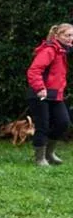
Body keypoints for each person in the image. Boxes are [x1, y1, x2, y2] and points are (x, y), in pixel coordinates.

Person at [26, 23, 73, 166]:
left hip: (55, 95)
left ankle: (49, 153)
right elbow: (33, 70)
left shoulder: (63, 50)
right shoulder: (49, 50)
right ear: (57, 36)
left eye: (72, 35)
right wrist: (40, 88)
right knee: (43, 126)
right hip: (40, 93)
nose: (71, 38)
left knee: (63, 123)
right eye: (68, 35)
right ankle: (40, 158)